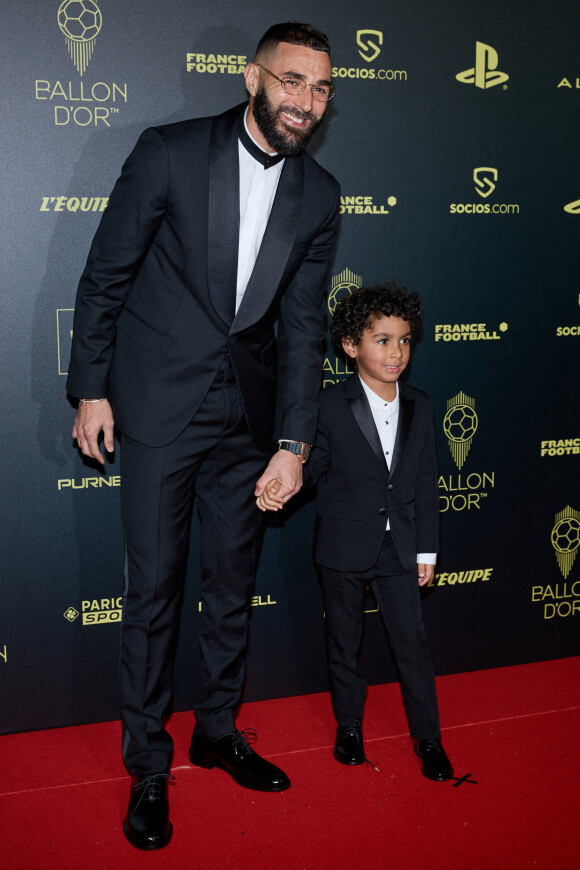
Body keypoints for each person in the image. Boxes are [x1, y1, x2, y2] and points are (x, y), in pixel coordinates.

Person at [67, 22, 340, 850]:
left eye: (323, 89)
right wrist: (90, 390)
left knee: (231, 586)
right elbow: (104, 275)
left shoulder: (321, 195)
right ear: (253, 76)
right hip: (155, 407)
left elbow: (302, 330)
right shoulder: (171, 151)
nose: (307, 102)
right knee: (152, 591)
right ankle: (149, 762)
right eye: (293, 81)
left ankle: (217, 731)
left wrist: (292, 444)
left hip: (246, 420)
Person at [257, 284, 453, 782]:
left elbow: (427, 481)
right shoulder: (327, 404)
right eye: (382, 340)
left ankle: (428, 738)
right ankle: (349, 727)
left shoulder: (422, 404)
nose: (396, 353)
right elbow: (314, 465)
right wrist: (284, 484)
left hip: (401, 547)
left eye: (405, 340)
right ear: (349, 345)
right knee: (343, 642)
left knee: (413, 645)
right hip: (342, 547)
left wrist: (426, 547)